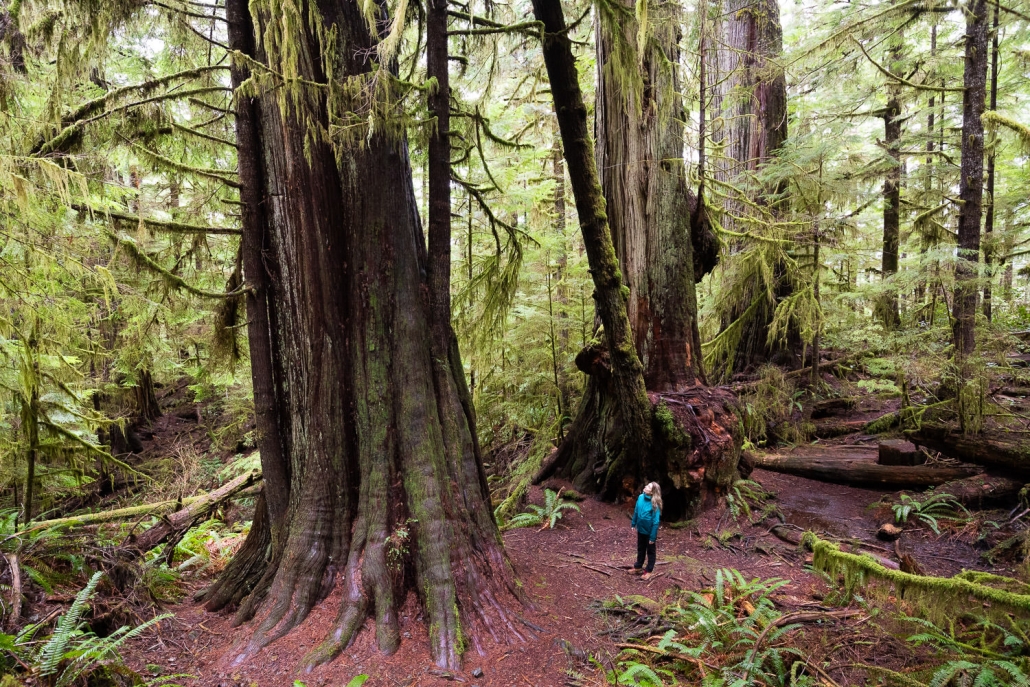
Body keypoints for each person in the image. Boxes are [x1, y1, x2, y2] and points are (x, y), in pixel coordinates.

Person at [630, 482, 662, 580]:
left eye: (648, 487)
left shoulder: (655, 503)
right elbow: (636, 511)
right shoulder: (640, 497)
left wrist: (652, 537)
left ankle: (648, 570)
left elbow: (656, 522)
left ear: (652, 492)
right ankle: (638, 566)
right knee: (641, 549)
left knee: (650, 551)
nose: (645, 487)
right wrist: (633, 523)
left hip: (649, 532)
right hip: (641, 530)